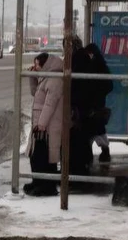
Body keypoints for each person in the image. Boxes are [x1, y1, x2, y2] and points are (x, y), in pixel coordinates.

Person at [24, 53, 63, 197]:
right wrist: (32, 76)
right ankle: (38, 182)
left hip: (48, 125)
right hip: (41, 124)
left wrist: (41, 123)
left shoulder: (55, 79)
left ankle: (47, 185)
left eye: (37, 65)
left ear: (45, 65)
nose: (35, 67)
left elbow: (50, 104)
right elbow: (35, 93)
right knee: (36, 155)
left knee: (45, 156)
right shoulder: (46, 77)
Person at [65, 36, 95, 175]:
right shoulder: (83, 57)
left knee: (77, 136)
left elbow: (77, 83)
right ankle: (83, 163)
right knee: (82, 136)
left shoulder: (78, 59)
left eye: (66, 46)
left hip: (79, 105)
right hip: (84, 103)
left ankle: (78, 167)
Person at [84, 42, 113, 163]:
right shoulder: (101, 65)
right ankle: (103, 152)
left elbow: (108, 85)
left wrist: (96, 92)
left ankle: (97, 153)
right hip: (96, 102)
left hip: (94, 103)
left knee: (94, 128)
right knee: (97, 128)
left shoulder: (96, 66)